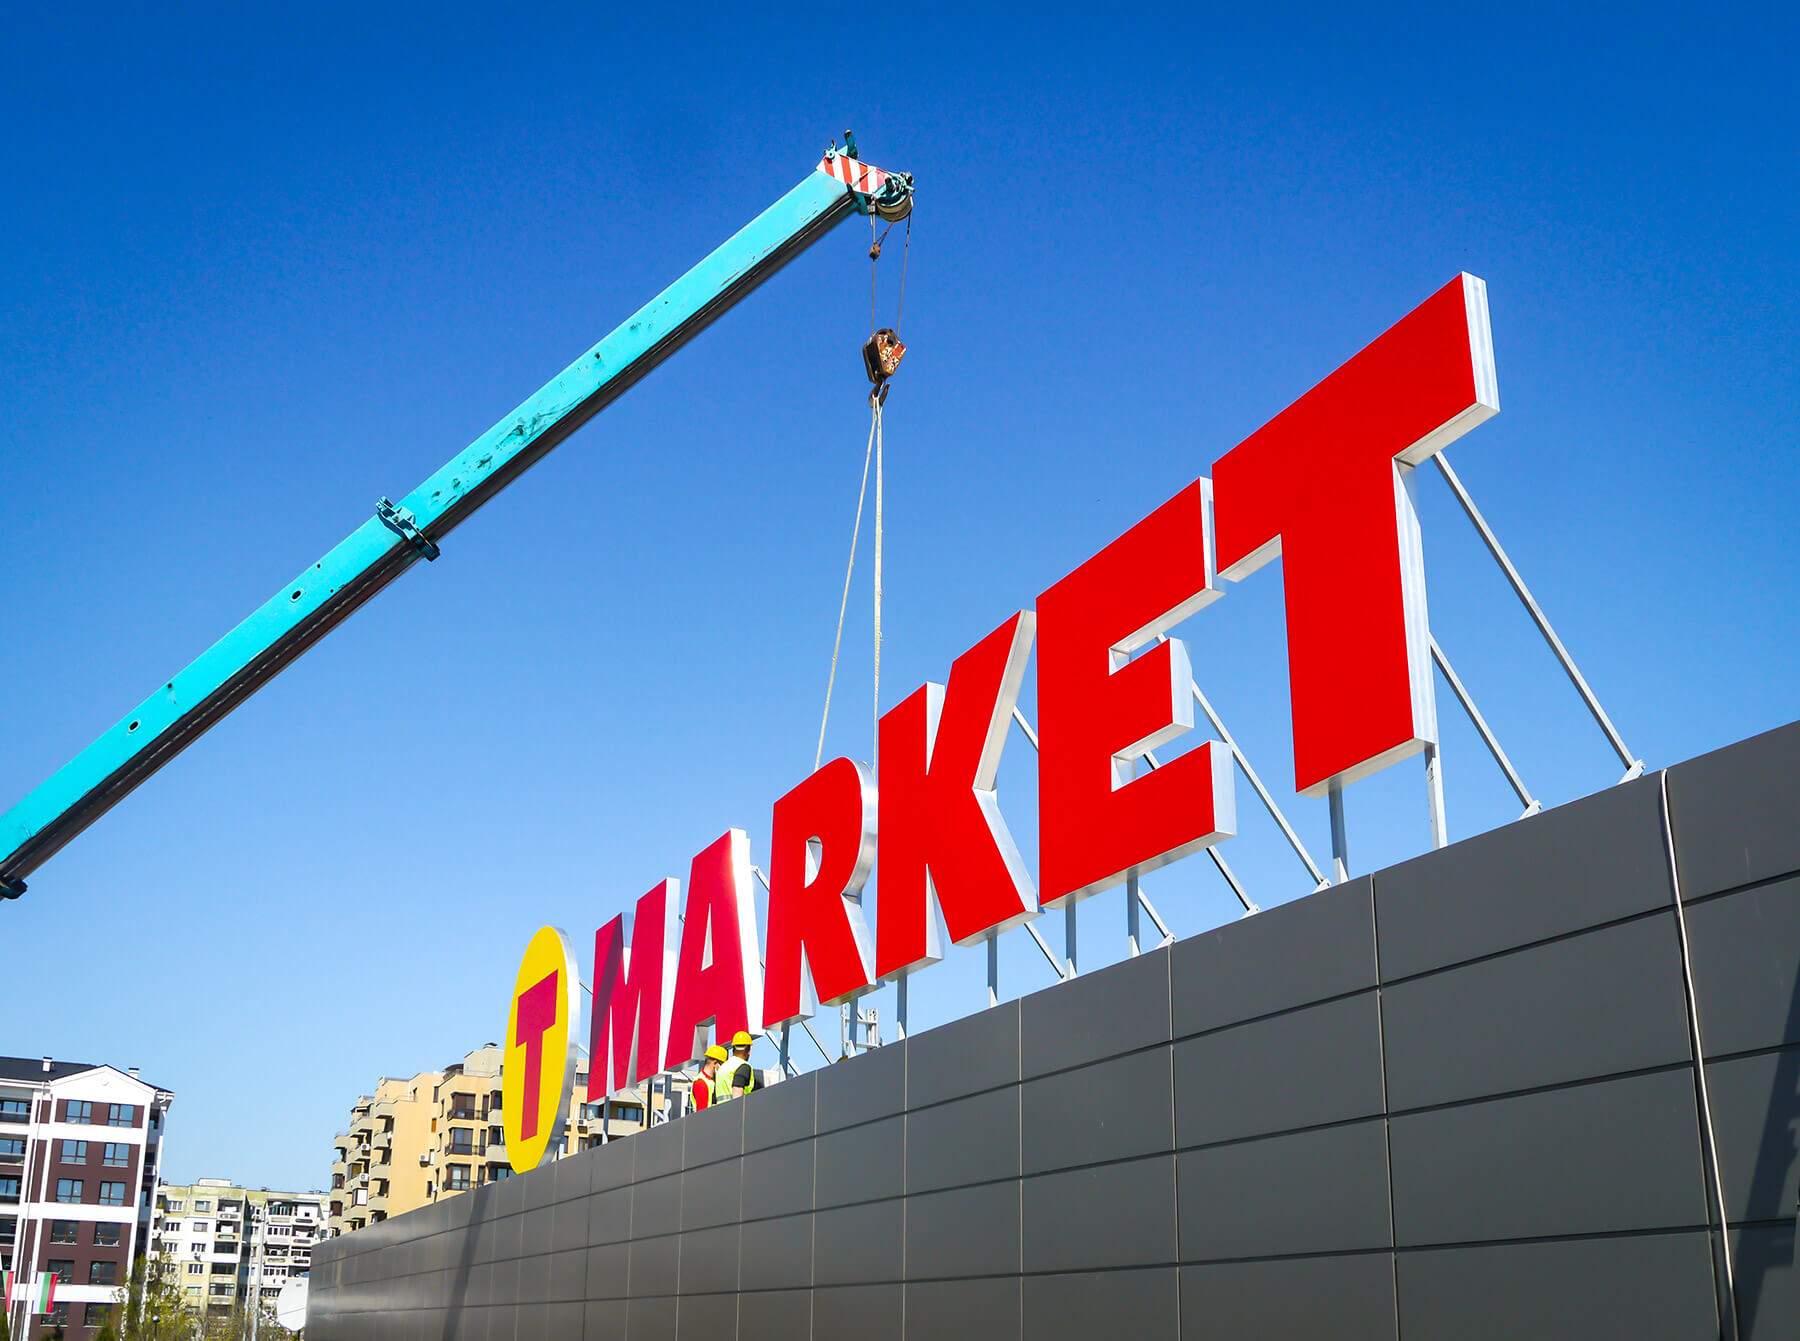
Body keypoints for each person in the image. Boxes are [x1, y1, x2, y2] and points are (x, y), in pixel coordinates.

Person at [720, 1030, 757, 1100]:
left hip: (718, 1110)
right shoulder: (743, 1067)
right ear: (749, 1051)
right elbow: (737, 1092)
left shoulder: (723, 1067)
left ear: (733, 1049)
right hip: (733, 1109)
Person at [692, 1045, 727, 1111]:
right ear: (715, 1063)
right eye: (721, 1065)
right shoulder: (700, 1083)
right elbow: (702, 1113)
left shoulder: (714, 1081)